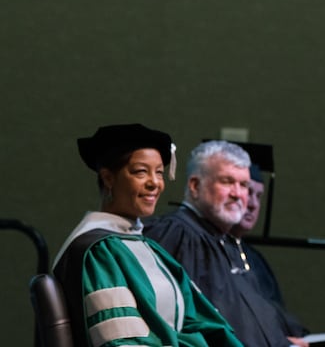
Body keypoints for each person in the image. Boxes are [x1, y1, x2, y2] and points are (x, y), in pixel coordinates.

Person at [52, 123, 243, 346]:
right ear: (108, 178)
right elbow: (121, 341)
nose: (155, 183)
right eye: (141, 172)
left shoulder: (149, 248)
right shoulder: (98, 250)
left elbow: (202, 322)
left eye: (159, 172)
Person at [143, 140, 307, 347]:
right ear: (195, 185)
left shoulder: (227, 245)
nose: (238, 194)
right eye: (227, 181)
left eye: (244, 185)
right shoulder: (179, 235)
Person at [229, 161, 310, 338]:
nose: (253, 204)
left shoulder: (256, 260)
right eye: (248, 192)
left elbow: (276, 313)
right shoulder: (207, 249)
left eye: (259, 196)